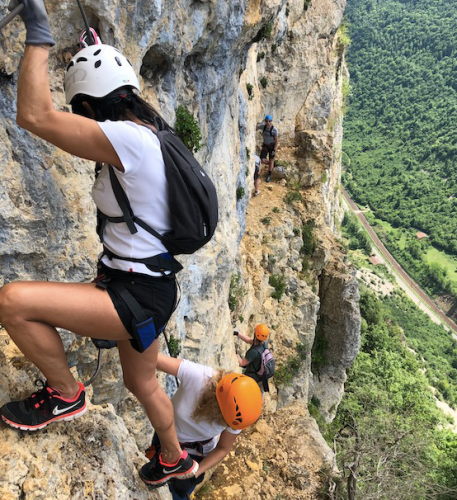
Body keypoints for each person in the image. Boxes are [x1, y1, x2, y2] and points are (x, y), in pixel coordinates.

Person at [0, 0, 196, 486]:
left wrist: (39, 30)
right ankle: (175, 460)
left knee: (13, 303)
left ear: (89, 108)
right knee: (142, 381)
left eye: (80, 113)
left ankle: (66, 393)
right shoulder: (151, 133)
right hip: (151, 290)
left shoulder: (128, 140)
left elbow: (34, 115)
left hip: (133, 295)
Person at [141, 353, 263, 497]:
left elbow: (223, 448)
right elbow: (150, 357)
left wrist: (194, 472)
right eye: (223, 418)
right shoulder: (199, 376)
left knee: (179, 493)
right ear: (218, 403)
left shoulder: (238, 414)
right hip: (164, 437)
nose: (224, 424)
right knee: (147, 482)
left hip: (195, 456)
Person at [235, 324, 270, 388]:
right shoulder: (263, 343)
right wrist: (237, 333)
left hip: (252, 377)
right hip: (260, 375)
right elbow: (248, 340)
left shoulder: (254, 352)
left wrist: (236, 354)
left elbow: (241, 363)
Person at [257, 115, 279, 183]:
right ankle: (271, 164)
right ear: (265, 121)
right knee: (262, 160)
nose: (268, 122)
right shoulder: (263, 127)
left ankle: (269, 174)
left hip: (272, 146)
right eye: (266, 121)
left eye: (269, 121)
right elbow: (256, 127)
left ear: (271, 121)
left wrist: (274, 149)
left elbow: (276, 140)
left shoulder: (274, 130)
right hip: (265, 145)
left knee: (271, 159)